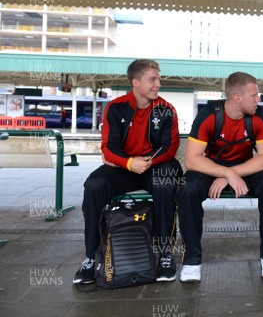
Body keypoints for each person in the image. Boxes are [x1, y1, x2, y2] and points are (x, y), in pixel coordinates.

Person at [73, 59, 182, 284]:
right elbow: (108, 147)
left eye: (158, 79)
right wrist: (129, 163)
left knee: (165, 182)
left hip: (155, 166)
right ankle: (91, 257)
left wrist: (146, 162)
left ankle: (164, 254)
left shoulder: (166, 110)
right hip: (125, 167)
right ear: (135, 82)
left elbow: (169, 147)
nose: (158, 84)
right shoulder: (116, 108)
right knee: (94, 185)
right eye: (152, 79)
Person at [178, 72, 263, 282]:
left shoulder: (259, 116)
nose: (258, 100)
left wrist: (231, 174)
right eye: (253, 95)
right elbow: (191, 160)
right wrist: (225, 172)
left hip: (245, 169)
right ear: (237, 98)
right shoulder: (209, 114)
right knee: (187, 189)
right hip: (212, 169)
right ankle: (191, 260)